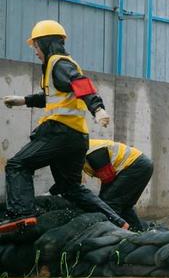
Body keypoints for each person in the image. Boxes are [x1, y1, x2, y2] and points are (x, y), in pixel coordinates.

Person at [1, 20, 127, 233]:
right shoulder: (56, 66)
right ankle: (118, 222)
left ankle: (22, 216)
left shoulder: (59, 63)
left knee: (17, 165)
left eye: (35, 46)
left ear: (45, 43)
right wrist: (23, 100)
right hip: (76, 137)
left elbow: (80, 83)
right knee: (71, 188)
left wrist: (98, 109)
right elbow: (53, 97)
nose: (35, 51)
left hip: (59, 131)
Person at [83, 139, 153, 231]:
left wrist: (101, 203)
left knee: (109, 205)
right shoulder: (82, 149)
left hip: (135, 165)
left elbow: (108, 178)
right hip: (139, 164)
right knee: (124, 207)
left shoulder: (91, 152)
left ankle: (112, 237)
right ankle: (138, 233)